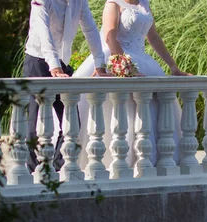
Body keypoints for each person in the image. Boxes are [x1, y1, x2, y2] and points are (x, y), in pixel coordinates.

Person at [63, 0, 191, 170]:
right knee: (124, 109)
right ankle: (123, 159)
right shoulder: (113, 3)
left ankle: (150, 157)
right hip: (118, 58)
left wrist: (173, 67)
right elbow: (110, 37)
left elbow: (153, 37)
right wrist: (126, 67)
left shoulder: (144, 4)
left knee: (152, 106)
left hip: (143, 60)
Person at [23, 0, 111, 171]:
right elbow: (43, 31)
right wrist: (53, 65)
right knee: (33, 121)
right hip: (37, 61)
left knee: (71, 121)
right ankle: (31, 169)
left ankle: (58, 168)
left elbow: (90, 29)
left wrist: (99, 62)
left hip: (62, 64)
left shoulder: (79, 2)